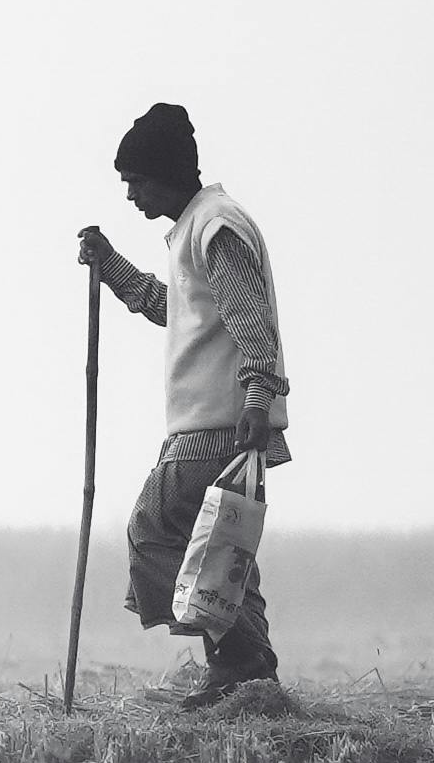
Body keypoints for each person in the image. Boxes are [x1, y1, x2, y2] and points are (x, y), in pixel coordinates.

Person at [75, 102, 291, 710]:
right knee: (225, 553)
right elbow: (173, 309)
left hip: (218, 425)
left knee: (154, 533)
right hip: (222, 422)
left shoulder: (215, 226)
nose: (131, 194)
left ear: (165, 173)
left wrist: (256, 396)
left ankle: (241, 662)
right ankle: (247, 678)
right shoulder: (195, 230)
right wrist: (111, 267)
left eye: (136, 181)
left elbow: (252, 322)